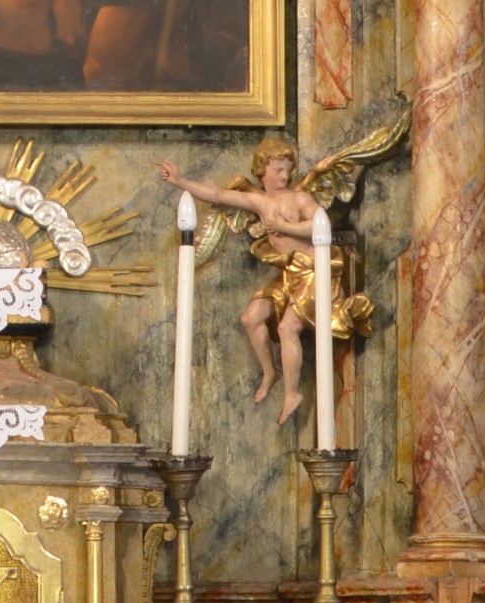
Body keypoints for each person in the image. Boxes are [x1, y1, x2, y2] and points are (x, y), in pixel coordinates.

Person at [158, 138, 371, 425]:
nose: (284, 176)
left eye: (287, 170)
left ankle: (292, 393)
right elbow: (217, 194)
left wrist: (284, 226)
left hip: (315, 274)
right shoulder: (259, 201)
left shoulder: (299, 198)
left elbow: (320, 224)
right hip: (289, 274)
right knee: (251, 318)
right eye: (278, 169)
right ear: (262, 170)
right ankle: (271, 372)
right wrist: (180, 181)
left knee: (287, 327)